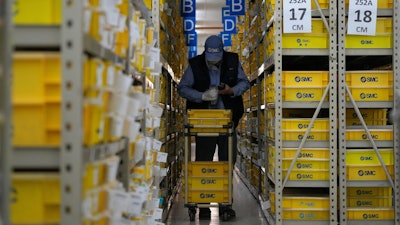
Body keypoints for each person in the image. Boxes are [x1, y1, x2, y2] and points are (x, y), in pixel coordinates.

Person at [178, 35, 250, 217]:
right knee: (204, 163)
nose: (214, 63)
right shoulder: (195, 64)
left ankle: (225, 205)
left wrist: (230, 91)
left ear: (222, 52)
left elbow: (245, 82)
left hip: (228, 123)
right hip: (205, 124)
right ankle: (203, 205)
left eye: (217, 59)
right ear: (205, 53)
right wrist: (201, 96)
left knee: (227, 163)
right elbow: (182, 88)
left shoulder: (232, 60)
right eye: (211, 59)